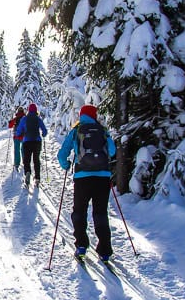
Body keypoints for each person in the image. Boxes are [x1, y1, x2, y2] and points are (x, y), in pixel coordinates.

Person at [57, 104, 117, 261]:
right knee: (101, 213)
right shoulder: (103, 131)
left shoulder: (77, 130)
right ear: (94, 115)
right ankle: (104, 251)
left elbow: (62, 153)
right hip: (102, 177)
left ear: (82, 115)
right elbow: (112, 151)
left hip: (82, 177)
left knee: (79, 211)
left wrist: (66, 164)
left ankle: (81, 245)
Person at [15, 103, 47, 187]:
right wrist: (43, 134)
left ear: (28, 110)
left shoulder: (24, 119)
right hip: (37, 142)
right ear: (36, 110)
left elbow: (19, 130)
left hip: (27, 142)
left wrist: (18, 134)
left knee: (27, 159)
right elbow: (44, 130)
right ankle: (37, 178)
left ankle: (28, 172)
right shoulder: (38, 119)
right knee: (36, 160)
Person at [7, 106, 26, 171]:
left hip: (16, 136)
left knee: (16, 150)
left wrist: (10, 122)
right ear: (23, 111)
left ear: (18, 111)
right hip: (24, 136)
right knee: (23, 149)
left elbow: (10, 126)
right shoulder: (25, 118)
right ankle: (25, 162)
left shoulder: (16, 118)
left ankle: (17, 164)